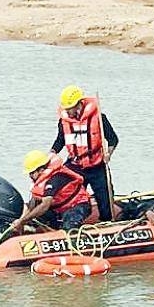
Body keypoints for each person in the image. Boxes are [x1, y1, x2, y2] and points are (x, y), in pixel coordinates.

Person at [51, 85, 119, 222]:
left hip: (97, 166)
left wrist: (108, 154)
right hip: (75, 166)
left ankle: (107, 222)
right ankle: (63, 220)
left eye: (69, 108)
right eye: (65, 108)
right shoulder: (64, 122)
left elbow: (113, 139)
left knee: (104, 198)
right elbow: (60, 141)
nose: (67, 112)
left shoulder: (99, 118)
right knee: (64, 192)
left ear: (79, 104)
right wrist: (51, 153)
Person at [11, 150, 92, 233]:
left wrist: (23, 221)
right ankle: (33, 231)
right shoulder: (39, 181)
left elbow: (45, 205)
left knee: (69, 228)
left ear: (41, 170)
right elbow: (32, 204)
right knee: (35, 217)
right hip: (59, 209)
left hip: (78, 205)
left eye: (32, 173)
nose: (30, 176)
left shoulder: (55, 178)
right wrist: (21, 220)